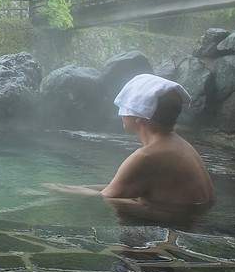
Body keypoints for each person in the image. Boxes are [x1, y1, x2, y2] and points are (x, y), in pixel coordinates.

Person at [45, 74, 214, 225]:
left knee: (113, 204)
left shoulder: (147, 157)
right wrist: (73, 186)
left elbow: (106, 198)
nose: (120, 113)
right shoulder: (180, 145)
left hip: (168, 229)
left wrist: (48, 188)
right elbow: (120, 187)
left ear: (139, 118)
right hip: (192, 223)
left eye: (125, 107)